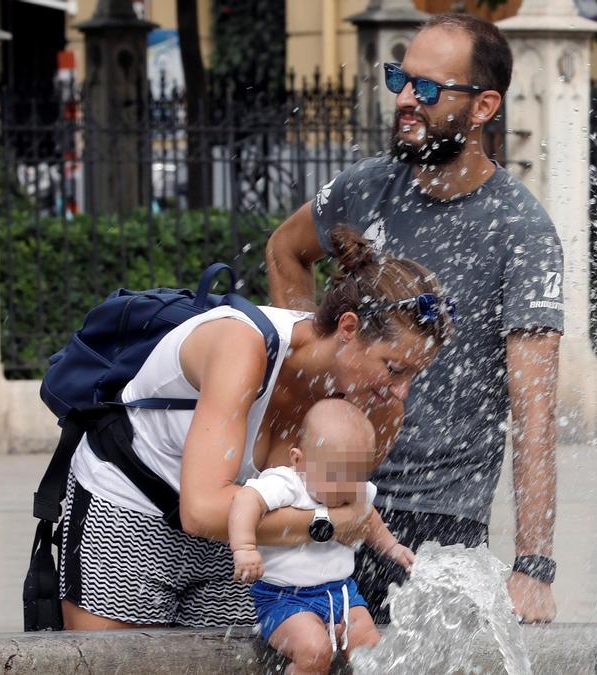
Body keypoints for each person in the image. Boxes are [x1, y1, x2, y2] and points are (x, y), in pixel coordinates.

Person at [266, 13, 563, 623]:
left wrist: (533, 566)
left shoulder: (521, 231)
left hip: (437, 521)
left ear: (482, 106)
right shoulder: (365, 187)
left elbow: (534, 411)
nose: (405, 98)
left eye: (427, 89)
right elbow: (284, 250)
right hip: (328, 493)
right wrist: (312, 386)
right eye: (401, 78)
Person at [60, 227, 453, 630]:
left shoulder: (378, 407)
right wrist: (327, 526)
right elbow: (203, 510)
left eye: (414, 376)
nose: (401, 392)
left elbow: (341, 502)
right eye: (394, 368)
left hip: (245, 534)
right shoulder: (242, 345)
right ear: (349, 328)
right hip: (131, 510)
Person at [230, 399, 415, 674]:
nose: (346, 489)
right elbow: (245, 501)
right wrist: (244, 548)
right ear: (298, 460)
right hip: (285, 599)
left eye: (356, 477)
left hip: (343, 593)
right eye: (335, 477)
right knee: (314, 651)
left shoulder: (352, 487)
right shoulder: (287, 483)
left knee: (371, 648)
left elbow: (369, 515)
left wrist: (392, 546)